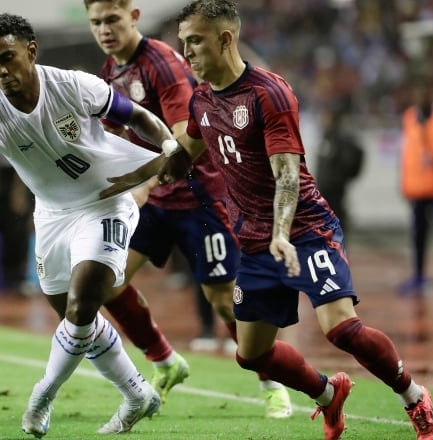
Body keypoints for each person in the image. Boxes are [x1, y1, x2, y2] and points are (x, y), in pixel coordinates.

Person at [100, 1, 433, 439]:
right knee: (250, 353)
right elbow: (183, 157)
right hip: (256, 243)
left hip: (305, 230)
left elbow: (287, 175)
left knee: (342, 328)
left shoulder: (269, 93)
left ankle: (414, 397)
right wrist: (121, 183)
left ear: (225, 39)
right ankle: (327, 395)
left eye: (196, 42)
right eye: (183, 44)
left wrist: (282, 233)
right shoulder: (202, 100)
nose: (188, 54)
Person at [0, 13, 181, 437]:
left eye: (8, 58)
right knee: (76, 323)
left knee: (82, 305)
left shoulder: (73, 85)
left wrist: (167, 144)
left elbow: (136, 116)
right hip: (52, 215)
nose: (0, 71)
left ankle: (41, 398)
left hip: (105, 202)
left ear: (31, 51)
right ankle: (138, 394)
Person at [84, 0, 292, 416]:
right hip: (154, 200)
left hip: (201, 198)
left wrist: (140, 183)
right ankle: (165, 360)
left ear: (134, 16)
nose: (104, 30)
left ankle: (274, 383)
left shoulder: (161, 63)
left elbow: (185, 139)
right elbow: (110, 140)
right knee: (106, 279)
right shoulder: (111, 71)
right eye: (96, 22)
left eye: (112, 19)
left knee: (221, 301)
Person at [398, 78, 433, 296]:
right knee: (418, 236)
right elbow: (408, 154)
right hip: (417, 188)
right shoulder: (409, 117)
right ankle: (418, 275)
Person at [314, 103, 364, 235]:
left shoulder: (340, 138)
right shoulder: (326, 136)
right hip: (324, 190)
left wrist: (339, 179)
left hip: (334, 191)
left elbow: (352, 158)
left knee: (335, 224)